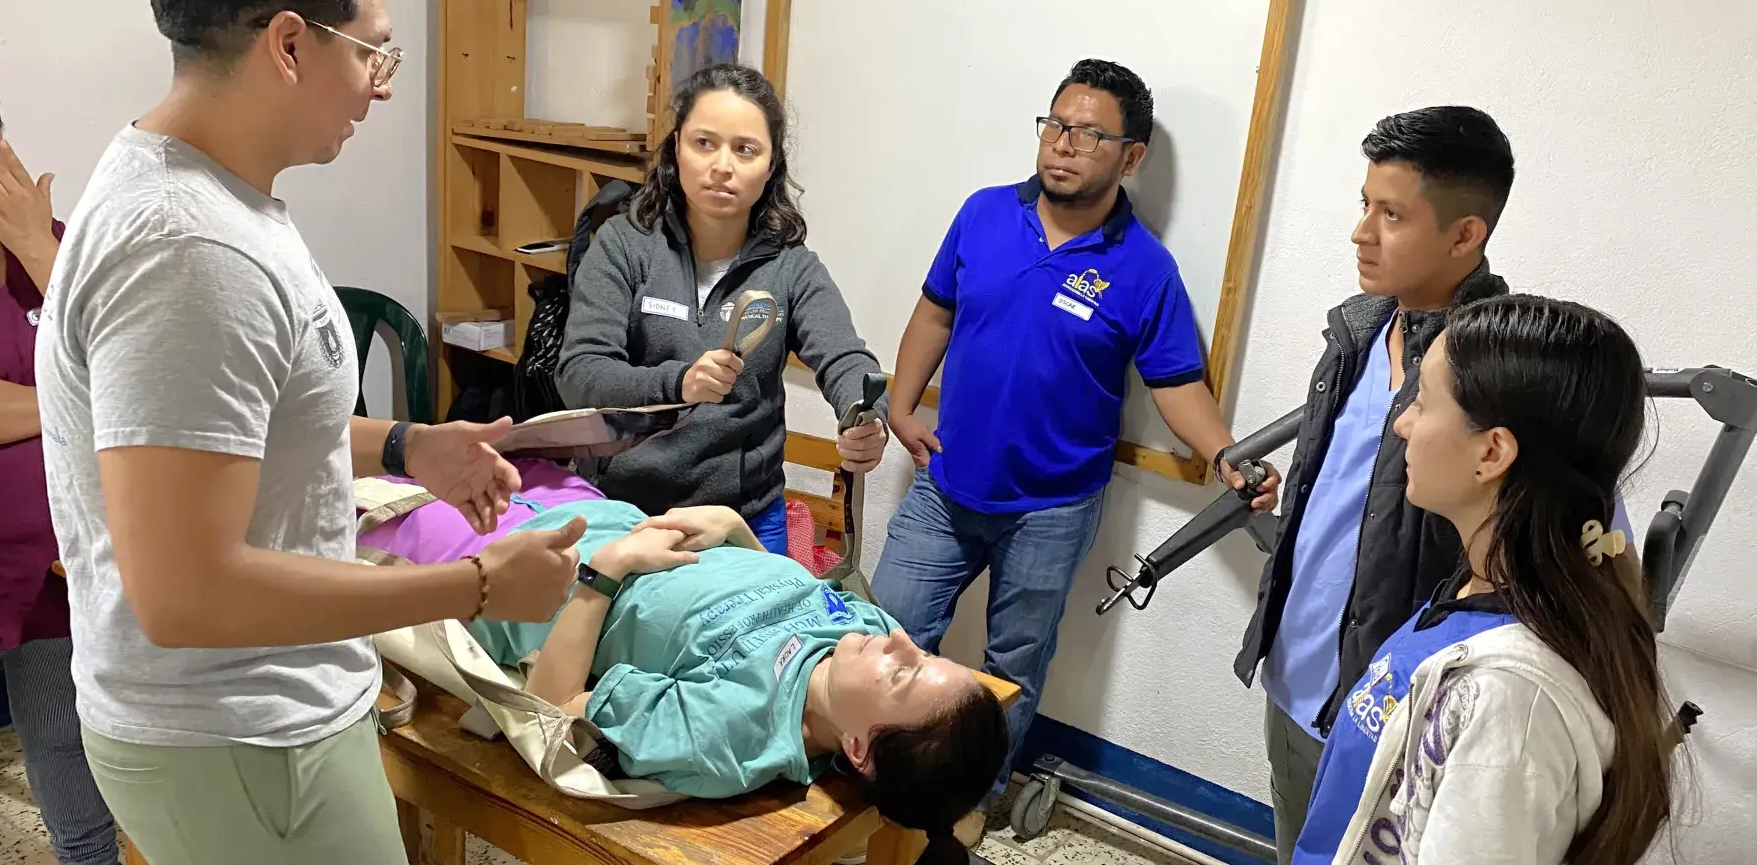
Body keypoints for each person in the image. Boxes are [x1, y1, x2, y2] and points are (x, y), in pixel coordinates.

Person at [36, 0, 586, 865]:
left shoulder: (202, 197)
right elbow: (186, 592)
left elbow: (228, 434)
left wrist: (409, 445)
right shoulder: (192, 254)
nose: (383, 84)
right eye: (373, 52)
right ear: (289, 45)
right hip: (240, 738)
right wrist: (471, 587)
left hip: (241, 729)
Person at [873, 58, 1277, 825]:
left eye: (1089, 134)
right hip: (946, 481)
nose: (1062, 145)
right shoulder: (984, 214)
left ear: (1132, 157)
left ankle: (973, 808)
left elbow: (1177, 384)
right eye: (1055, 125)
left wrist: (1225, 453)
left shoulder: (1146, 269)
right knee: (887, 636)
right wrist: (900, 404)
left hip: (1052, 509)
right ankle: (871, 786)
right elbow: (934, 313)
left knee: (1013, 668)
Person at [1233, 107, 1633, 860]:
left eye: (1391, 214)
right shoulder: (1355, 334)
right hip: (1302, 677)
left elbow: (1584, 539)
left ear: (1464, 235)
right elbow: (1357, 496)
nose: (1362, 232)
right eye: (1364, 205)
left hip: (1406, 703)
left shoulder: (1504, 372)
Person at [378, 494, 1008, 865]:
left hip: (515, 562)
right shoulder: (860, 642)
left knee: (347, 502)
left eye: (902, 674)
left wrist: (605, 572)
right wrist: (735, 529)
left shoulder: (731, 731)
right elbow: (779, 601)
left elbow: (551, 706)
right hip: (594, 505)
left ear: (858, 749)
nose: (897, 639)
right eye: (925, 654)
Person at [1291, 294, 1672, 865]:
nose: (1402, 425)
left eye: (1421, 403)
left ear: (1491, 452)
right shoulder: (1475, 591)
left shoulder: (1508, 704)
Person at [559, 63, 889, 557]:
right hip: (623, 509)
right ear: (676, 149)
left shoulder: (790, 268)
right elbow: (580, 372)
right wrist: (679, 384)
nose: (722, 166)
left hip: (742, 518)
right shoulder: (624, 246)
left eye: (745, 149)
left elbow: (845, 357)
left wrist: (866, 417)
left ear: (771, 164)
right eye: (704, 143)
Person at [0, 98, 118, 865]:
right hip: (16, 559)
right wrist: (69, 394)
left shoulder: (60, 255)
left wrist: (37, 250)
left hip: (70, 570)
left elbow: (136, 374)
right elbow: (98, 389)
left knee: (60, 742)